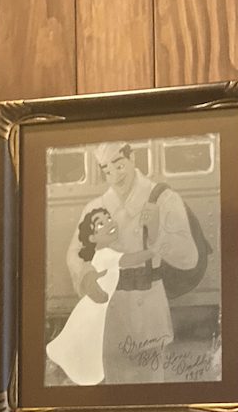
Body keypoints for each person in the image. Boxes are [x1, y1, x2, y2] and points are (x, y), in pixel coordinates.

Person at [66, 142, 198, 384]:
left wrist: (158, 233)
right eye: (107, 170)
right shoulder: (96, 207)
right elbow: (75, 252)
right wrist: (85, 275)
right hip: (109, 313)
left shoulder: (164, 198)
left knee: (151, 388)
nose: (115, 177)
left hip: (149, 311)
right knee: (115, 389)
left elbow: (189, 257)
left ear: (133, 158)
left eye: (119, 165)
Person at [47, 207, 157, 385]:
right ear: (92, 238)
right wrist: (153, 251)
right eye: (100, 223)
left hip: (98, 307)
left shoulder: (105, 253)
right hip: (97, 309)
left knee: (88, 342)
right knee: (89, 341)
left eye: (108, 218)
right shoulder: (106, 254)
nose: (109, 223)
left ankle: (79, 374)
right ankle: (80, 376)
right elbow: (130, 260)